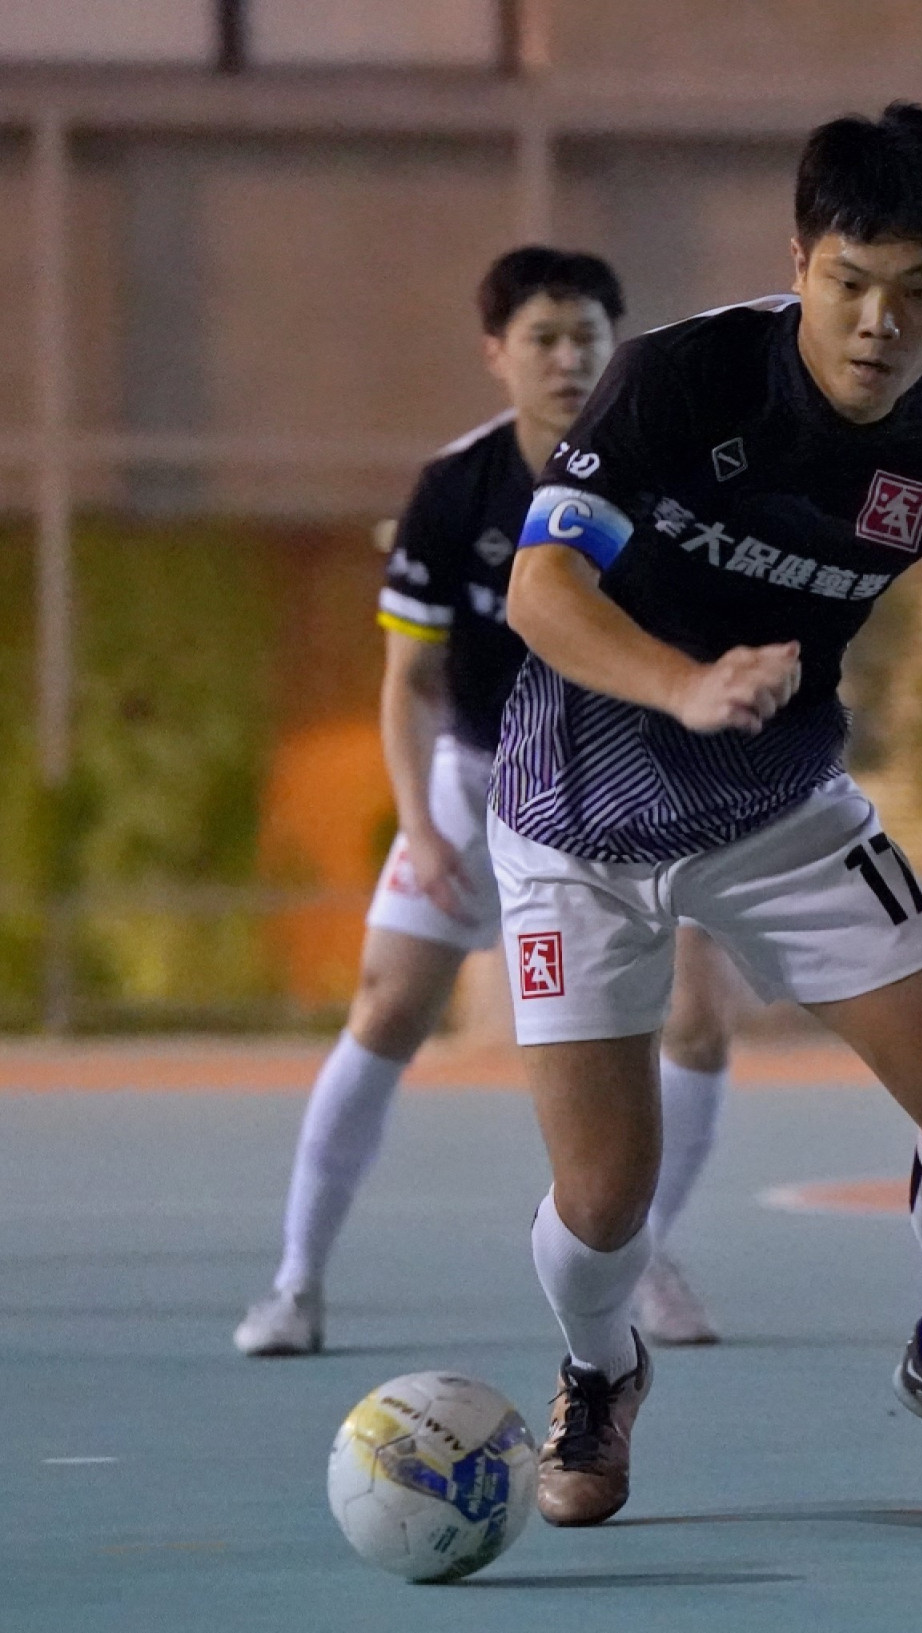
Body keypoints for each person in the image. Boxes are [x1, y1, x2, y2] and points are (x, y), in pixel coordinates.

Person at [495, 104, 922, 1528]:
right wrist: (684, 684)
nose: (879, 323)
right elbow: (540, 590)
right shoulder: (678, 378)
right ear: (799, 261)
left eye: (917, 290)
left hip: (779, 810)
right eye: (850, 282)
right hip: (572, 821)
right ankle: (597, 1369)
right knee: (606, 1198)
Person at [233, 247, 739, 1357]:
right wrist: (420, 825)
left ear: (614, 349)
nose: (566, 360)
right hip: (476, 778)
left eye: (586, 338)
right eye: (542, 339)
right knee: (386, 1005)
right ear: (496, 355)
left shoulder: (669, 481)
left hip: (631, 783)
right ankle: (295, 1283)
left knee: (698, 1021)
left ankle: (644, 1252)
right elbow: (408, 680)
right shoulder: (455, 488)